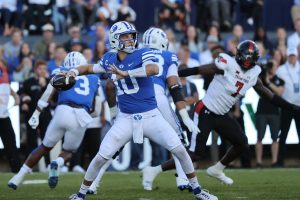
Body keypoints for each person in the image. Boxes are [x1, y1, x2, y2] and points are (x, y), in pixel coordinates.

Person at [67, 21, 217, 200]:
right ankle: (80, 194)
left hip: (151, 115)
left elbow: (153, 69)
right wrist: (72, 73)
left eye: (131, 36)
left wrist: (126, 73)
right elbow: (89, 68)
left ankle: (198, 190)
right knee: (101, 157)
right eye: (125, 36)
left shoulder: (143, 53)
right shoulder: (109, 59)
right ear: (115, 40)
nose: (130, 39)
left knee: (180, 151)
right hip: (126, 118)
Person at [142, 40, 300, 186]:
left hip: (222, 114)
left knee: (242, 143)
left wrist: (293, 107)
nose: (246, 63)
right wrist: (172, 75)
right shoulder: (227, 63)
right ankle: (154, 170)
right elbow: (199, 69)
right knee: (196, 154)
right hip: (205, 111)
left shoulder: (254, 74)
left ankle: (217, 169)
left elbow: (270, 96)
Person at [7, 52, 100, 190]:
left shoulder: (60, 71)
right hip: (81, 114)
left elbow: (48, 93)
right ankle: (57, 162)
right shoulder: (93, 77)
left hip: (62, 110)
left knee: (44, 146)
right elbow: (96, 109)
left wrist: (36, 113)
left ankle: (18, 177)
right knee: (69, 151)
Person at [255, 60, 284, 167]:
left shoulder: (279, 80)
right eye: (271, 66)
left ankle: (274, 161)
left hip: (274, 112)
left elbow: (279, 92)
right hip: (261, 111)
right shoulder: (261, 79)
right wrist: (265, 79)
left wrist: (268, 82)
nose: (273, 67)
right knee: (259, 137)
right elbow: (258, 91)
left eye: (274, 65)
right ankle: (258, 162)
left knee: (275, 138)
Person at [276, 46, 300, 167]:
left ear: (296, 56)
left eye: (293, 55)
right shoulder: (281, 69)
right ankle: (280, 161)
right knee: (283, 134)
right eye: (290, 56)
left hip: (299, 106)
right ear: (288, 56)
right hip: (287, 105)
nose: (292, 58)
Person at [0, 59, 21, 173]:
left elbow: (7, 85)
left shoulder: (4, 73)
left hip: (3, 114)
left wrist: (15, 95)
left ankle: (17, 170)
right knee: (10, 141)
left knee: (11, 142)